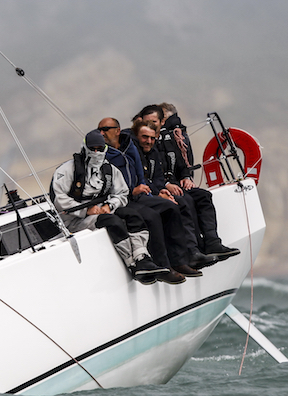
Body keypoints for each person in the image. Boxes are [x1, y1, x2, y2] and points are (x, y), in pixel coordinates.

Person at [51, 130, 171, 284]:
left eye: (99, 149)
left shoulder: (109, 170)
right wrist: (84, 209)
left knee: (132, 215)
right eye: (92, 149)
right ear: (85, 147)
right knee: (112, 221)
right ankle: (131, 262)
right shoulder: (66, 170)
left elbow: (122, 193)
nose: (95, 153)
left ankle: (142, 256)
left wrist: (109, 205)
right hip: (74, 221)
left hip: (103, 212)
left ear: (105, 148)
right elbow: (59, 199)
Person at [99, 116, 203, 277]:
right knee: (152, 216)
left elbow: (141, 174)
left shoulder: (129, 146)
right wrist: (133, 190)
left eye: (105, 129)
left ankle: (180, 261)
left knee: (171, 207)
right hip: (122, 199)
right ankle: (163, 266)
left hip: (139, 195)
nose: (101, 133)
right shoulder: (101, 153)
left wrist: (156, 191)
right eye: (99, 130)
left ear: (117, 131)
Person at [134, 119, 240, 265]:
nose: (149, 140)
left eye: (152, 137)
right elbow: (143, 178)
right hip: (144, 194)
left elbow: (177, 164)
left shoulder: (165, 143)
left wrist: (184, 176)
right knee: (182, 202)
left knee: (204, 196)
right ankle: (189, 253)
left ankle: (211, 243)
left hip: (166, 187)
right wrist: (162, 189)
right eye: (145, 137)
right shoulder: (136, 152)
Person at [157, 103, 241, 261]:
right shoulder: (157, 138)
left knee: (204, 196)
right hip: (164, 185)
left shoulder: (179, 136)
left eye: (164, 118)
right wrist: (165, 184)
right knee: (185, 201)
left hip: (178, 183)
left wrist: (187, 177)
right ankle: (193, 249)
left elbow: (184, 163)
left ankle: (212, 242)